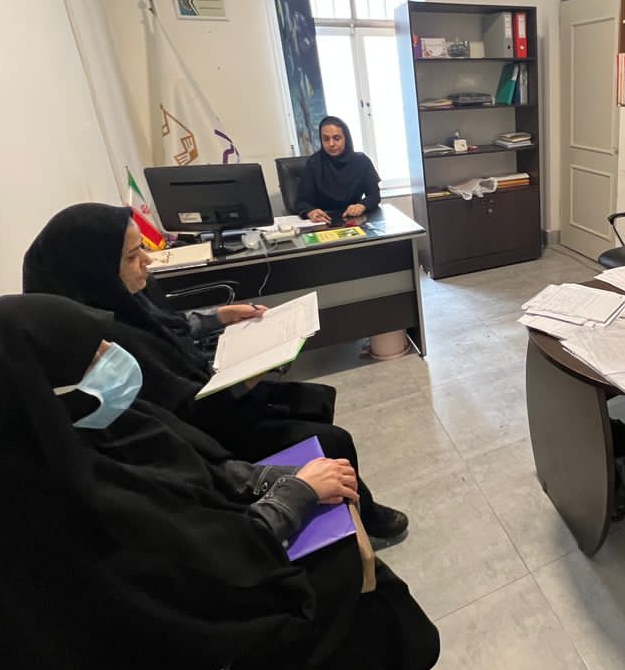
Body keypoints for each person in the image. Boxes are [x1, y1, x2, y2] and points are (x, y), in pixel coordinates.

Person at [0, 295, 438, 670]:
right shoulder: (25, 518)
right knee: (343, 573)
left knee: (339, 532)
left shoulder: (31, 449)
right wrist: (290, 497)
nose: (114, 358)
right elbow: (203, 571)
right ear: (39, 387)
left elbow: (186, 470)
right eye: (95, 356)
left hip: (173, 606)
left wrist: (263, 482)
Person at [22, 202, 409, 545]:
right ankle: (360, 517)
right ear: (96, 271)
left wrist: (221, 315)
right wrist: (248, 376)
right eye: (133, 255)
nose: (148, 261)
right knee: (330, 438)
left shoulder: (125, 299)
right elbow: (185, 416)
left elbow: (171, 325)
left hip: (208, 399)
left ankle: (357, 509)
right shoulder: (106, 347)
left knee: (302, 405)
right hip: (203, 438)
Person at [294, 115, 382, 223]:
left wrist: (362, 205)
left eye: (336, 138)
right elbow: (301, 201)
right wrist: (310, 211)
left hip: (354, 220)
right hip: (323, 221)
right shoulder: (313, 164)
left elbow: (374, 195)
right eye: (326, 139)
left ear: (346, 138)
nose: (331, 144)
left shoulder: (361, 161)